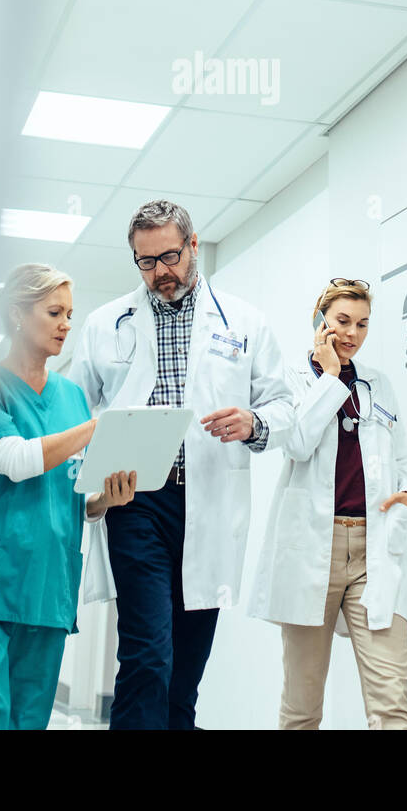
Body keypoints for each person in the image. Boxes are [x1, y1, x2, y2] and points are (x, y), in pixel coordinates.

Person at [68, 199, 293, 731]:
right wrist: (90, 487)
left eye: (168, 257)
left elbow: (283, 403)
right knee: (147, 654)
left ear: (193, 245)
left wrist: (253, 423)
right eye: (145, 263)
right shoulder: (106, 324)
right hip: (135, 501)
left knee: (186, 668)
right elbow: (73, 413)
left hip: (207, 501)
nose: (159, 273)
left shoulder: (244, 322)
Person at [0, 263, 136, 729]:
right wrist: (100, 427)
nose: (65, 325)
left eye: (70, 315)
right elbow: (17, 462)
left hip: (45, 592)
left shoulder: (72, 398)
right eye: (54, 311)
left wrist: (103, 502)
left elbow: (69, 490)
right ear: (17, 314)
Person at [247, 278, 407, 730]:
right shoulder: (291, 381)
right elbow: (299, 443)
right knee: (302, 706)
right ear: (319, 320)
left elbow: (402, 456)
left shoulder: (378, 384)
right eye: (343, 321)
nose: (352, 334)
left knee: (392, 701)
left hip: (373, 548)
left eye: (363, 324)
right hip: (313, 551)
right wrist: (328, 378)